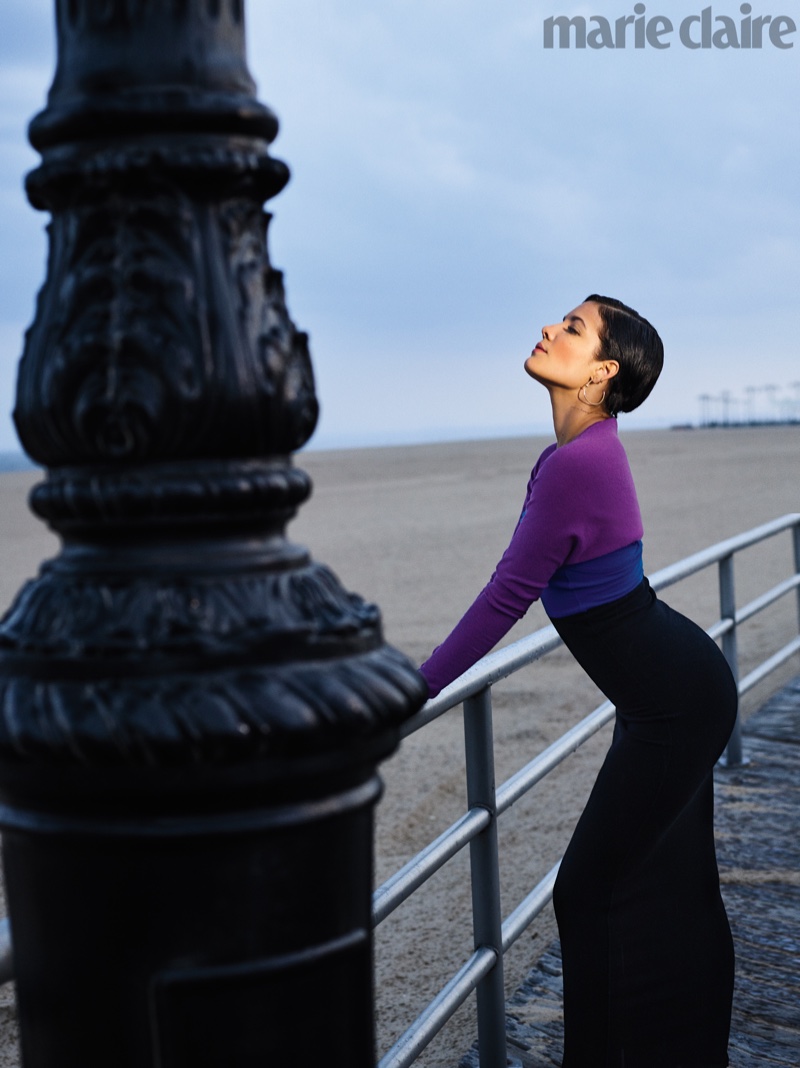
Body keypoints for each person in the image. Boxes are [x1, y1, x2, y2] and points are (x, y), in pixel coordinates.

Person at [419, 295, 737, 1068]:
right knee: (664, 884)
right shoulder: (575, 454)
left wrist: (414, 686)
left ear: (600, 373)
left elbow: (504, 597)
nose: (546, 330)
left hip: (675, 704)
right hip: (668, 693)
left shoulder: (578, 462)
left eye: (570, 328)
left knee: (588, 892)